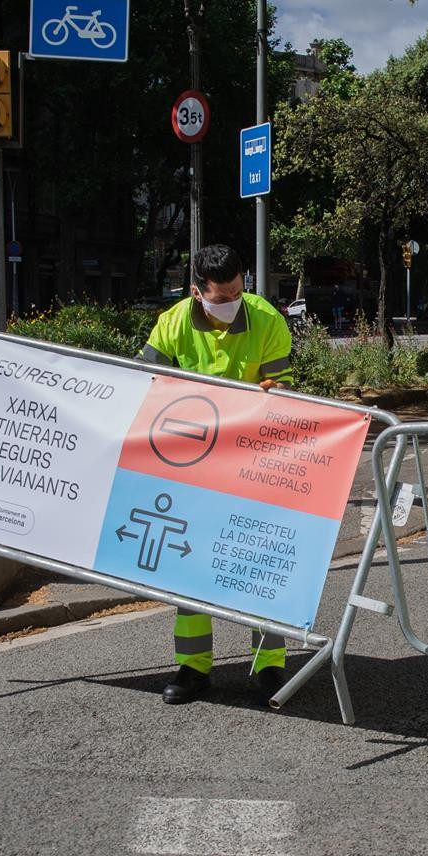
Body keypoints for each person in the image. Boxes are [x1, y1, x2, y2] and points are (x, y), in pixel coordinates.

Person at [138, 244, 294, 705]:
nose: (231, 300)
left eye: (237, 290)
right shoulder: (172, 323)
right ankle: (193, 668)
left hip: (253, 458)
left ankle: (269, 668)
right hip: (190, 461)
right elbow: (147, 381)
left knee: (256, 561)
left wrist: (263, 399)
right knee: (188, 565)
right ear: (197, 293)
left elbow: (282, 388)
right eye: (220, 295)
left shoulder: (266, 319)